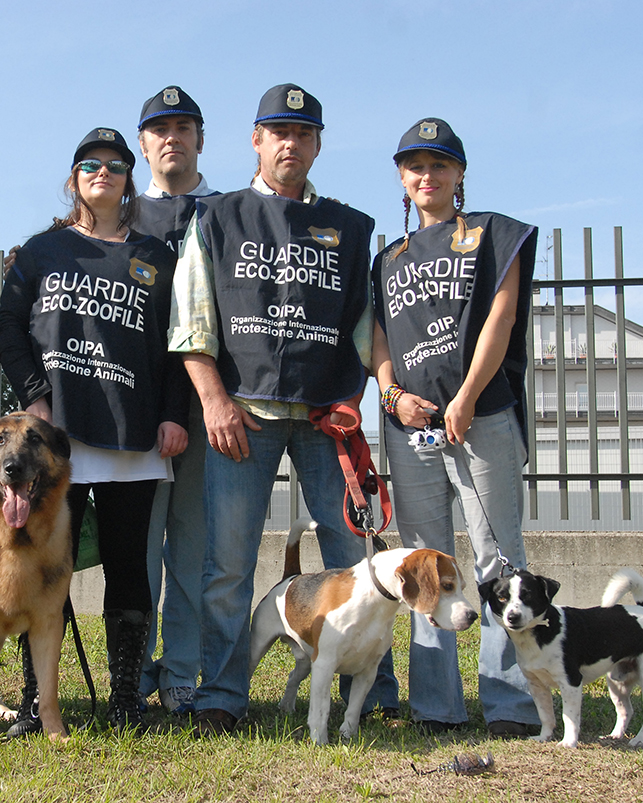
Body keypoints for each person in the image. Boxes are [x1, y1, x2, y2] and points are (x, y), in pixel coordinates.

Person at [168, 84, 398, 736]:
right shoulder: (218, 217)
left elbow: (364, 327)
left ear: (318, 144)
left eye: (303, 133)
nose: (290, 143)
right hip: (243, 417)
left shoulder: (349, 227)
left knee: (358, 558)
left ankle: (374, 693)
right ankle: (221, 694)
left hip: (328, 421)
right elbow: (191, 321)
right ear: (256, 140)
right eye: (278, 132)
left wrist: (355, 402)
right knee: (228, 566)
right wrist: (213, 400)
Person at [0, 127, 189, 732]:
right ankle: (37, 698)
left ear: (129, 180)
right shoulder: (42, 250)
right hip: (57, 441)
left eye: (115, 165)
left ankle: (126, 697)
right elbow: (7, 328)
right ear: (73, 178)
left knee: (128, 565)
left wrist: (173, 414)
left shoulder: (158, 257)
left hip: (133, 438)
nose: (102, 172)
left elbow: (179, 345)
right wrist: (36, 399)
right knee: (43, 567)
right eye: (89, 164)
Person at [370, 118, 539, 737]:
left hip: (481, 416)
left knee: (499, 557)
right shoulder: (388, 258)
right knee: (423, 567)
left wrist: (466, 396)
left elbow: (502, 315)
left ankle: (511, 704)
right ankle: (435, 706)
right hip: (410, 429)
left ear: (459, 173)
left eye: (439, 164)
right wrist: (391, 394)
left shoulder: (494, 233)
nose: (427, 175)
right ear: (401, 177)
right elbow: (377, 336)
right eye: (415, 165)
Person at [133, 86, 219, 716]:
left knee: (191, 549)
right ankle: (133, 671)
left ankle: (182, 670)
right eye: (160, 129)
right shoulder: (121, 213)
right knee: (138, 551)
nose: (172, 138)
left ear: (200, 139)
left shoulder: (228, 211)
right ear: (143, 145)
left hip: (205, 405)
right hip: (137, 408)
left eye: (183, 127)